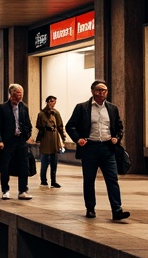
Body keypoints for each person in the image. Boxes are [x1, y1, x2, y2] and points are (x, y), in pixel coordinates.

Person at [65, 80, 129, 220]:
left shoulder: (112, 108)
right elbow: (70, 126)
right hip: (90, 148)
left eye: (104, 90)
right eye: (99, 90)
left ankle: (117, 209)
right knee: (89, 179)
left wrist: (116, 138)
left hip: (107, 148)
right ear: (93, 91)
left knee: (112, 179)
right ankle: (90, 208)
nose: (102, 93)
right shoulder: (82, 108)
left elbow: (119, 127)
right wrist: (78, 139)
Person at [0, 83, 32, 200]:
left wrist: (27, 136)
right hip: (7, 142)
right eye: (18, 94)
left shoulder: (24, 107)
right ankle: (5, 190)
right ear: (11, 94)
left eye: (21, 94)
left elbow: (28, 124)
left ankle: (23, 190)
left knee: (24, 166)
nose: (20, 96)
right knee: (5, 166)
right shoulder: (2, 108)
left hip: (21, 140)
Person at [36, 96, 66, 188]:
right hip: (45, 137)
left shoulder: (56, 113)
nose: (53, 103)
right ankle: (43, 180)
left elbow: (60, 125)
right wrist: (38, 139)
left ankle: (53, 180)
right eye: (51, 101)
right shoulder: (41, 114)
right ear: (47, 102)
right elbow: (39, 126)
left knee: (54, 160)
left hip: (54, 137)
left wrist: (63, 136)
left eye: (54, 102)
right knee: (45, 160)